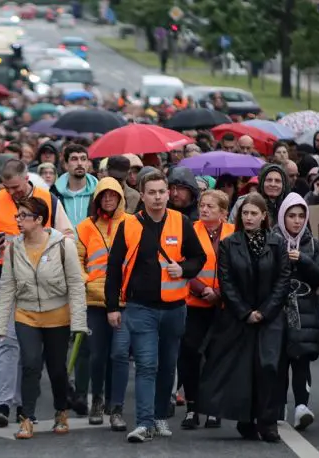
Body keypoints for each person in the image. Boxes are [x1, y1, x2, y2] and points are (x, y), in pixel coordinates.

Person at [105, 171, 207, 443]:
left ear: (168, 193)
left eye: (162, 191)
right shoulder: (128, 225)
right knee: (147, 365)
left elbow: (200, 257)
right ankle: (144, 422)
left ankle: (161, 416)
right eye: (152, 192)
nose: (158, 197)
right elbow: (114, 268)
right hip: (141, 307)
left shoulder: (181, 221)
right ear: (142, 194)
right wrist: (112, 306)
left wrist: (183, 269)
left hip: (175, 308)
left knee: (167, 366)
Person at [0, 159, 73, 425]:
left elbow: (68, 235)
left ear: (26, 179)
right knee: (6, 341)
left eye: (17, 188)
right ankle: (1, 404)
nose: (13, 193)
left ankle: (23, 402)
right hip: (6, 281)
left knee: (29, 347)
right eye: (8, 188)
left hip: (42, 284)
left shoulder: (49, 200)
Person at [0, 197, 88, 439]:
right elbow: (7, 288)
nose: (18, 220)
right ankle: (27, 418)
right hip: (26, 314)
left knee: (57, 369)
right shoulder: (13, 248)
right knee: (30, 363)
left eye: (24, 215)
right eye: (18, 215)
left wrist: (79, 322)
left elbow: (76, 284)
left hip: (58, 316)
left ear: (40, 220)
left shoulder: (63, 245)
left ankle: (60, 412)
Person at [199, 192, 291, 443]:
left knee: (269, 367)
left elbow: (283, 280)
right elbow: (226, 283)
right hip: (239, 317)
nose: (249, 218)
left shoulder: (277, 243)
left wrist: (266, 311)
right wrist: (245, 312)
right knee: (243, 371)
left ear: (264, 217)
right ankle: (246, 419)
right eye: (245, 213)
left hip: (270, 316)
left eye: (254, 213)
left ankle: (268, 421)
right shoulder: (230, 244)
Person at [74, 178, 131, 429]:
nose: (108, 199)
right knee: (97, 355)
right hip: (94, 299)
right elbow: (76, 258)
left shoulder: (132, 223)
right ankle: (97, 400)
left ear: (120, 197)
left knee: (118, 355)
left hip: (123, 299)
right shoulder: (85, 226)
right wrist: (87, 280)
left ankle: (115, 405)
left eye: (112, 195)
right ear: (96, 199)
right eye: (103, 195)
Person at [273, 193, 319, 430]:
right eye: (291, 216)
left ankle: (301, 407)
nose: (296, 221)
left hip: (304, 313)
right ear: (282, 217)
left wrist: (304, 260)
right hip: (276, 312)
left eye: (301, 216)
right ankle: (277, 407)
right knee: (277, 362)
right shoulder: (271, 240)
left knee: (301, 361)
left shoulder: (313, 244)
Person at [180, 190, 234, 430]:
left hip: (223, 304)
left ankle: (214, 409)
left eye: (211, 207)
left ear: (223, 212)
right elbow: (181, 264)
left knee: (218, 357)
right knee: (190, 355)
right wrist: (202, 290)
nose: (204, 210)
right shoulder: (190, 230)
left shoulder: (234, 233)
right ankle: (192, 407)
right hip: (194, 303)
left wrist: (220, 294)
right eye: (202, 205)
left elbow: (238, 269)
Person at [50, 144, 98, 228]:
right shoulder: (54, 194)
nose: (79, 163)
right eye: (74, 159)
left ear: (88, 164)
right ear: (65, 164)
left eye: (83, 159)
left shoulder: (99, 192)